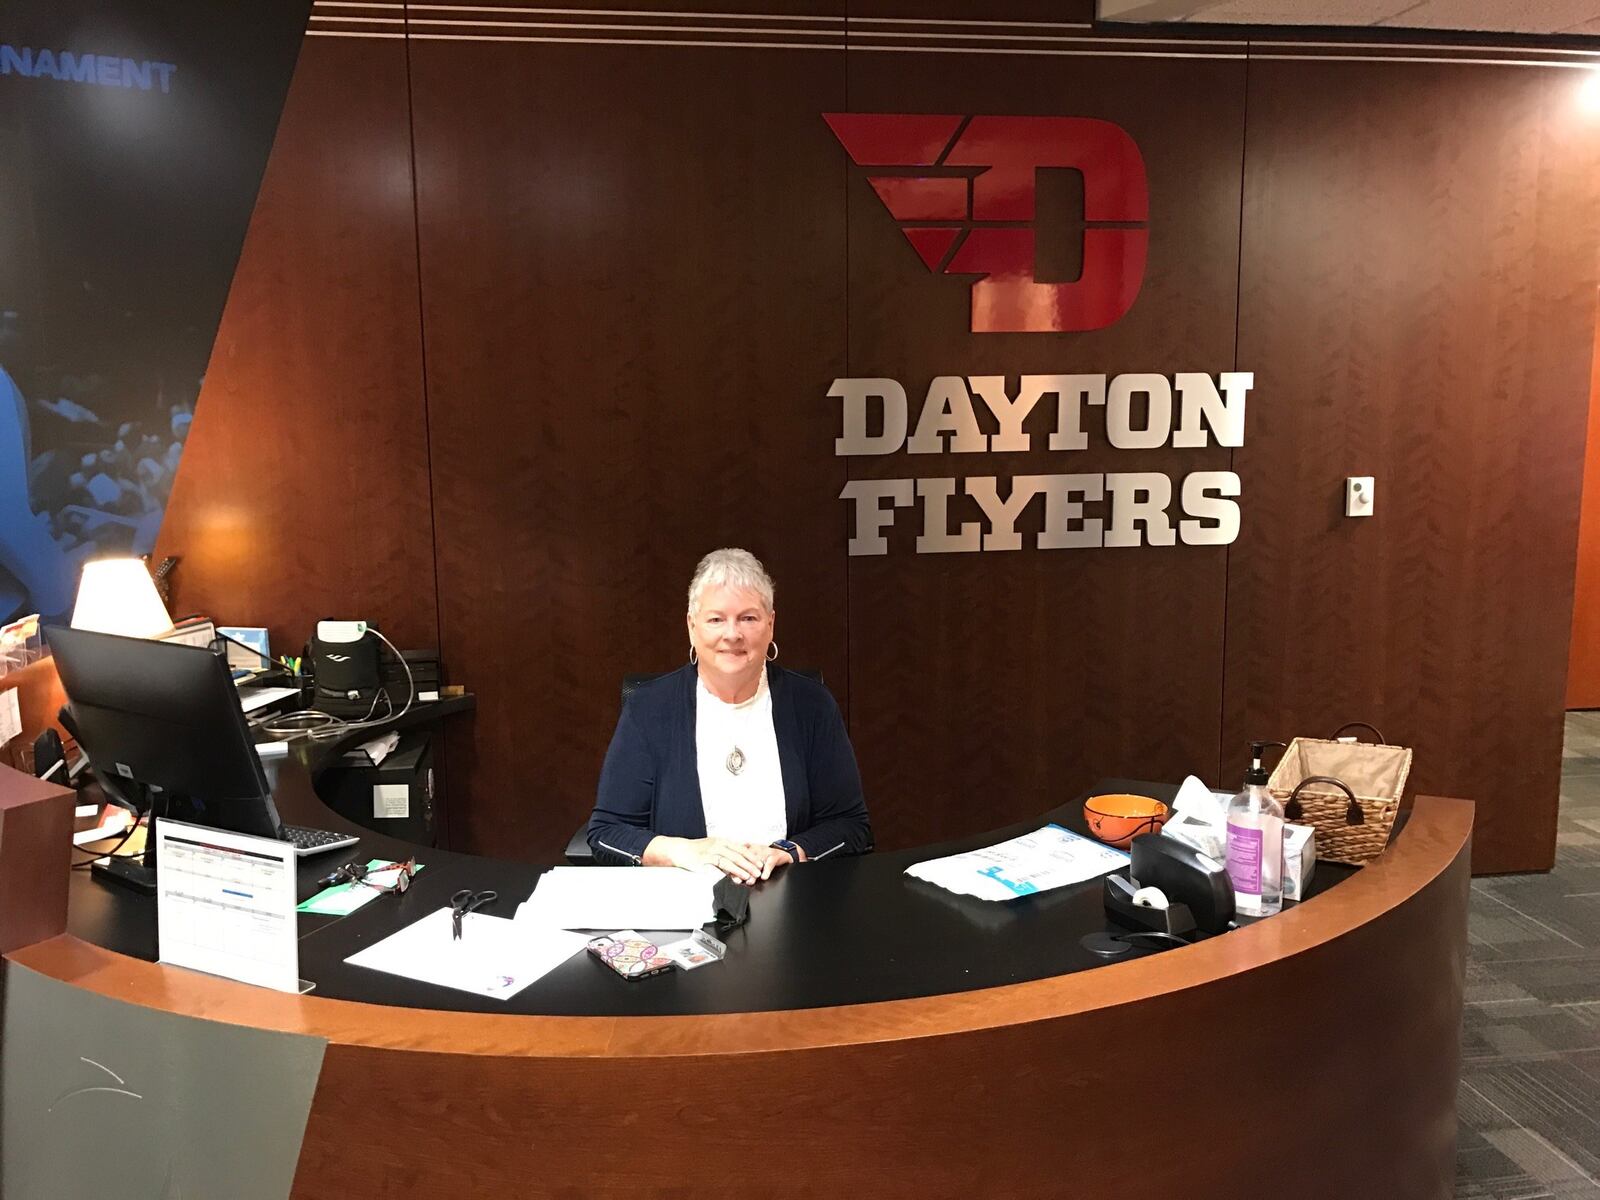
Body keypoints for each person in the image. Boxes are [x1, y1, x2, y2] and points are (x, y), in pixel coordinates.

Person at [586, 547, 872, 882]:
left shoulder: (811, 705)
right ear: (692, 627)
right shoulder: (649, 709)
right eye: (716, 619)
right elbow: (607, 832)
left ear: (771, 625)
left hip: (790, 901)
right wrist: (684, 851)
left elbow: (851, 826)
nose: (732, 634)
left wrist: (789, 852)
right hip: (685, 906)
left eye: (748, 618)